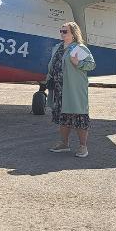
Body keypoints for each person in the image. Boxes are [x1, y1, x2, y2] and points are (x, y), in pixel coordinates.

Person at [46, 21, 96, 158]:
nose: (62, 34)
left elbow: (91, 64)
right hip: (59, 89)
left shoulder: (79, 48)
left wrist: (78, 63)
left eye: (65, 31)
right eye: (61, 31)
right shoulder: (57, 47)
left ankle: (83, 147)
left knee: (79, 115)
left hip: (73, 89)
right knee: (63, 116)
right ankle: (64, 144)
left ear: (73, 34)